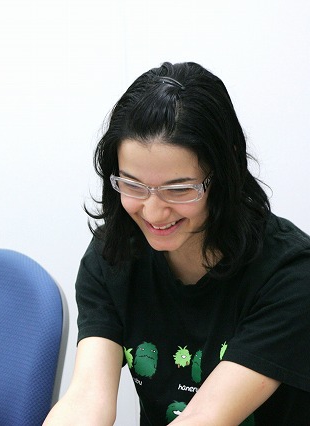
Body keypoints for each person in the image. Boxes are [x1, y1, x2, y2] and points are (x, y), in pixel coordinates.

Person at [44, 62, 310, 425]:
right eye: (133, 185)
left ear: (225, 170)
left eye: (179, 189)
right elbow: (87, 399)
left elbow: (205, 418)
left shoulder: (290, 275)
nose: (153, 212)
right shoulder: (114, 256)